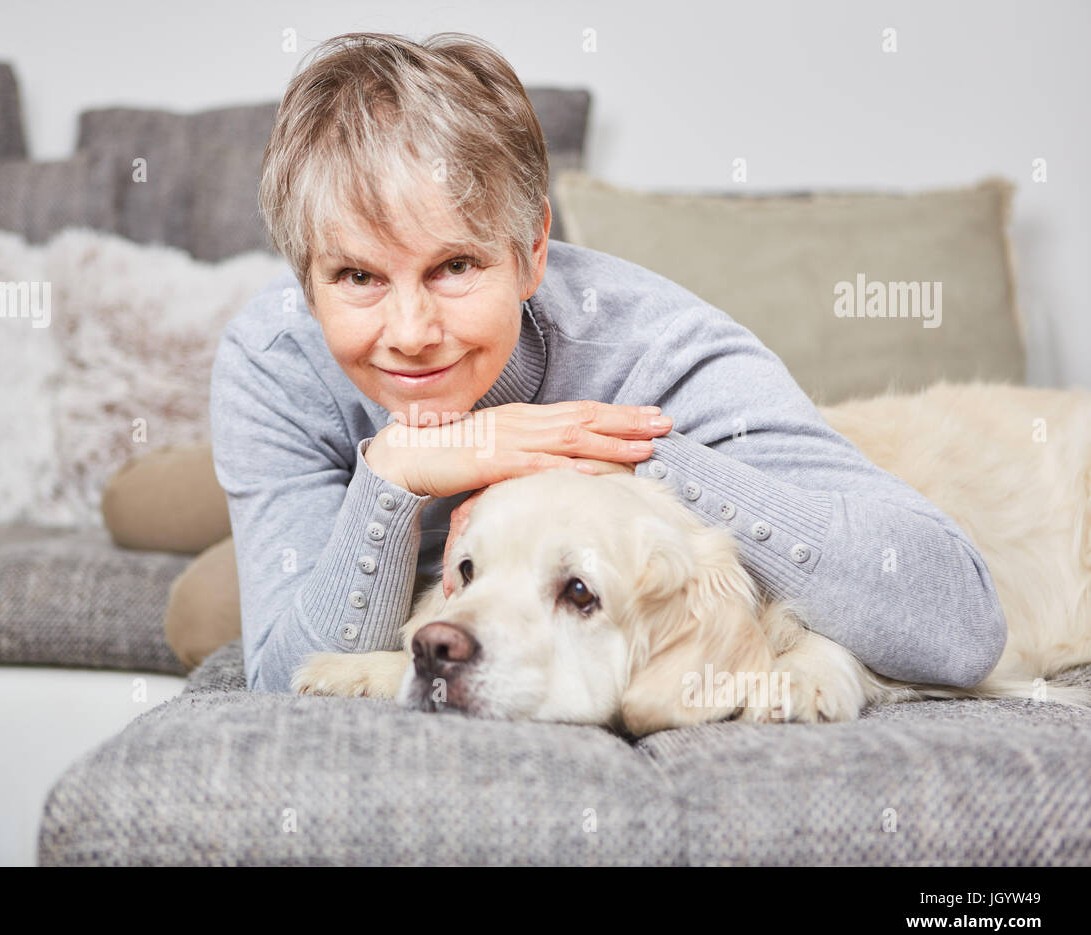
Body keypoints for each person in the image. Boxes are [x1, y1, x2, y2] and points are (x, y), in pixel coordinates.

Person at [205, 31, 1007, 695]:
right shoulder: (273, 360)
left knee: (201, 595)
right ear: (306, 287)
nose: (411, 332)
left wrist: (604, 456)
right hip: (346, 498)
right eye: (358, 277)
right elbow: (286, 680)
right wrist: (390, 476)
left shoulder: (666, 350)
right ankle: (189, 492)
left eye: (455, 267)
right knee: (197, 602)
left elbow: (961, 626)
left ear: (531, 253)